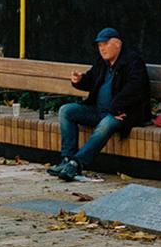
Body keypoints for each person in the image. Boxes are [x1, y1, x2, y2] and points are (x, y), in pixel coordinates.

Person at [48, 28, 151, 181]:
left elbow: (136, 89)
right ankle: (66, 159)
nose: (101, 48)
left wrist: (116, 108)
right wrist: (80, 80)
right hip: (98, 110)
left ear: (117, 43)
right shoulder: (102, 63)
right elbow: (90, 80)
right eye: (99, 45)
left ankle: (76, 164)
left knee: (106, 124)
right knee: (66, 110)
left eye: (105, 44)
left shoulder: (133, 61)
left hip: (122, 114)